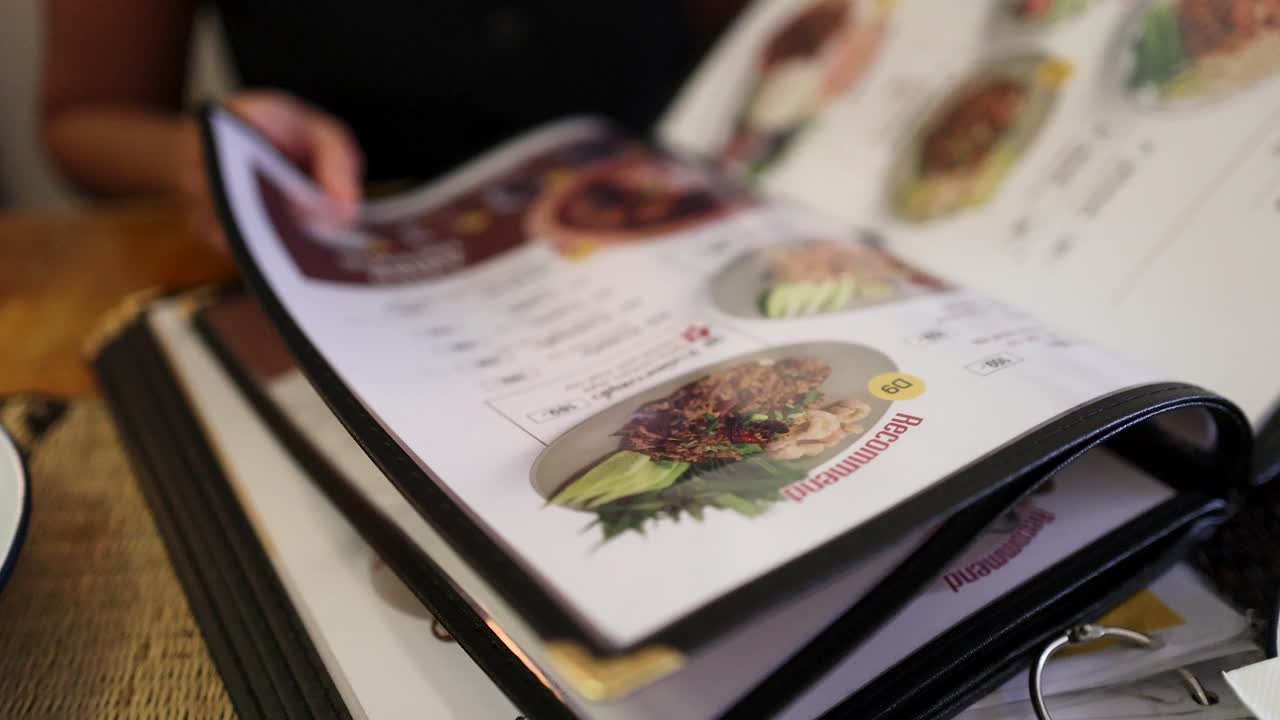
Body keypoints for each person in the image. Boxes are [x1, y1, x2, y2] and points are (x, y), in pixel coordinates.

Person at [41, 0, 747, 242]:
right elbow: (83, 119)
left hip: (677, 245)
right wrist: (209, 158)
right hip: (356, 263)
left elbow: (745, 41)